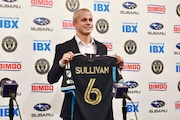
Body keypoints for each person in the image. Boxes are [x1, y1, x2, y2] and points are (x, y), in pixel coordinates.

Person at [47, 8, 124, 120]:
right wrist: (62, 63)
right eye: (84, 20)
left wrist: (119, 66)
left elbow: (106, 78)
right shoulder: (63, 48)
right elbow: (51, 78)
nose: (88, 23)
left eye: (90, 20)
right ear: (74, 24)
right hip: (74, 110)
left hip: (100, 110)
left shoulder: (102, 48)